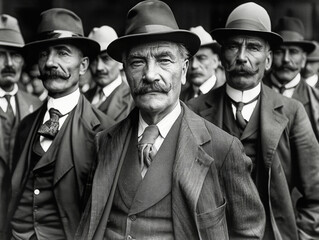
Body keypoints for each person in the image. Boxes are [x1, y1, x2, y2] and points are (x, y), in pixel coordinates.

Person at [76, 1, 265, 240]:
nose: (150, 74)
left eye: (164, 60)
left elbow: (248, 233)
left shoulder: (222, 149)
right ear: (125, 72)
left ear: (184, 70)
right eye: (137, 62)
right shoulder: (105, 142)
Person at [188, 2, 319, 239]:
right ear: (222, 56)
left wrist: (299, 236)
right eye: (233, 46)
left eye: (254, 48)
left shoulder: (292, 112)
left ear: (268, 60)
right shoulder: (193, 112)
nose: (241, 57)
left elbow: (316, 195)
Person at [3, 8, 115, 240]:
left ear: (83, 66)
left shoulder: (105, 130)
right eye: (44, 54)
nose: (51, 62)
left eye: (63, 53)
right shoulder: (26, 125)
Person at [263, 16, 319, 141]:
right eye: (279, 52)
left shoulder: (316, 100)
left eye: (293, 52)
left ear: (303, 59)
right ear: (269, 56)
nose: (286, 59)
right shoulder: (255, 92)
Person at [0, 14, 41, 173]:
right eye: (1, 54)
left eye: (15, 55)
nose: (9, 63)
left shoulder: (36, 105)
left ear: (23, 61)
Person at [86, 25, 134, 122]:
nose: (99, 67)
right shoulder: (84, 96)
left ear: (121, 62)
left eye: (106, 59)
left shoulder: (133, 100)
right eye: (94, 60)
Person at [180, 25, 223, 101]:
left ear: (215, 61)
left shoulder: (224, 97)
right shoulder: (180, 98)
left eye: (201, 58)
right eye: (190, 59)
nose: (194, 65)